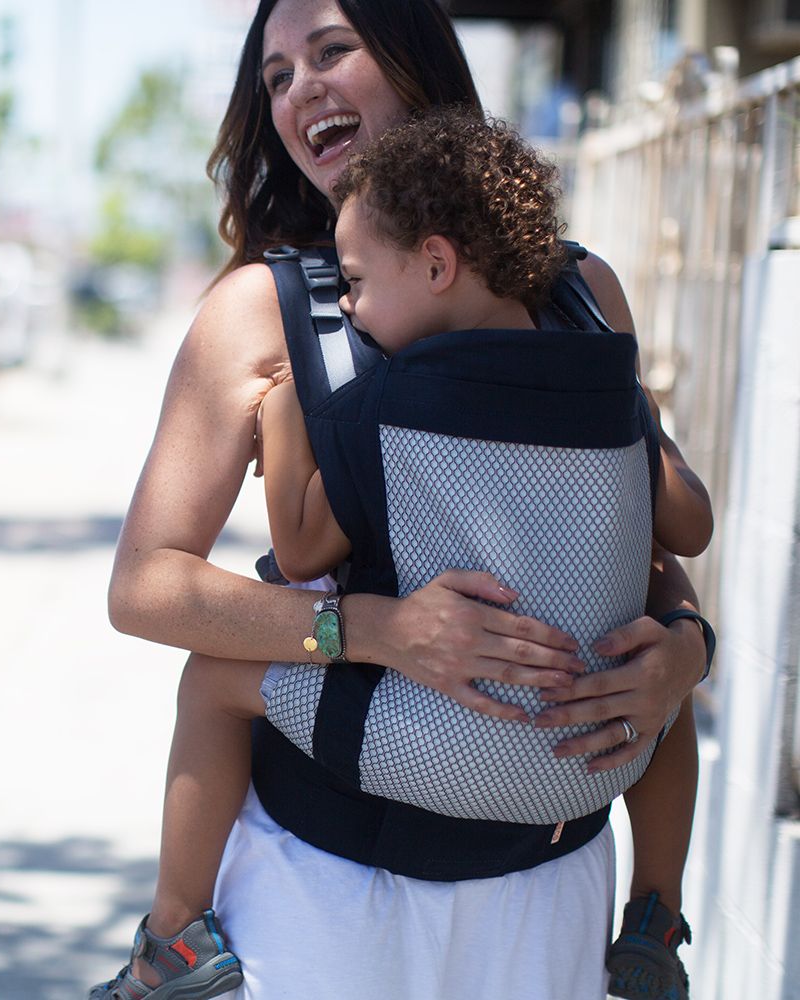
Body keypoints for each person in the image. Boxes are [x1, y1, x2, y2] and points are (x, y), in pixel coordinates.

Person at [94, 2, 713, 998]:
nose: (300, 89)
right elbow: (144, 586)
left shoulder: (576, 288)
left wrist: (683, 650)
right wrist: (372, 629)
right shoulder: (261, 308)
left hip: (548, 889)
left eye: (332, 51)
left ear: (415, 60)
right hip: (328, 896)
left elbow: (629, 531)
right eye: (276, 77)